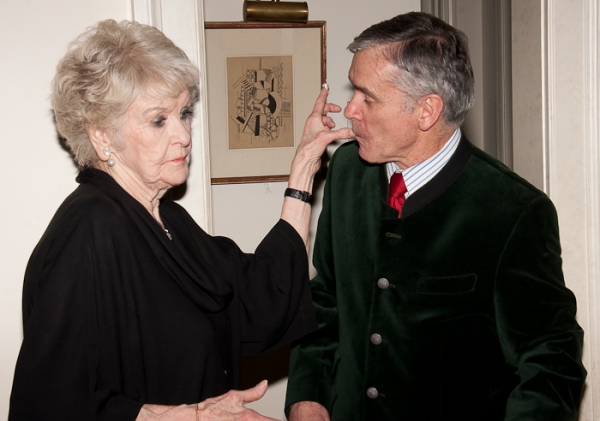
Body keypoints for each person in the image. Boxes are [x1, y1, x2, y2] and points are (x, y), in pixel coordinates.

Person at [9, 19, 352, 421]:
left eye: (184, 112)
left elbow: (260, 297)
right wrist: (190, 417)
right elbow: (50, 402)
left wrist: (305, 166)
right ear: (102, 136)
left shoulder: (167, 216)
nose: (185, 135)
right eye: (159, 120)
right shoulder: (90, 230)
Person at [285, 11, 586, 421]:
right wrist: (309, 395)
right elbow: (325, 299)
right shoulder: (346, 173)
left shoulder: (514, 211)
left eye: (367, 97)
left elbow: (551, 358)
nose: (350, 109)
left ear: (427, 111)